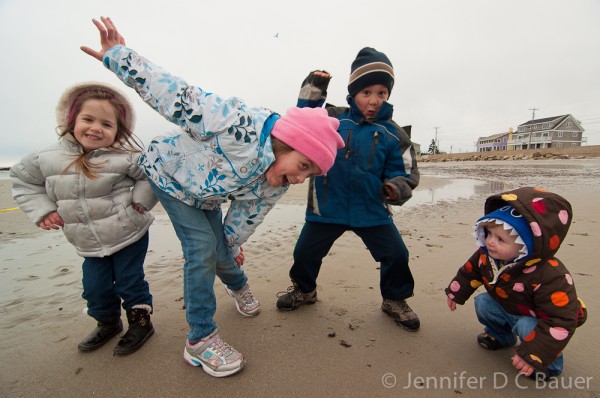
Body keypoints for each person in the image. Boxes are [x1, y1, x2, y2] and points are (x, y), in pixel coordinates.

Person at [81, 17, 344, 378]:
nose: (300, 178)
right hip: (169, 175)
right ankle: (200, 340)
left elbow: (248, 215)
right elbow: (176, 94)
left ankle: (239, 286)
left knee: (220, 249)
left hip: (205, 197)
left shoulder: (277, 182)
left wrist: (231, 245)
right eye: (303, 165)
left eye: (310, 174)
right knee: (202, 246)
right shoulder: (237, 123)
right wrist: (120, 57)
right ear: (288, 142)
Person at [275, 47, 422, 331]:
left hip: (372, 209)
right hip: (327, 207)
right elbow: (303, 119)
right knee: (304, 252)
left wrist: (395, 187)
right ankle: (305, 290)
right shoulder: (334, 118)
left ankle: (394, 299)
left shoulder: (394, 133)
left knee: (397, 255)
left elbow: (406, 172)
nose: (374, 100)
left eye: (382, 93)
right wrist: (314, 87)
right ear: (353, 93)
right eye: (366, 92)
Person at [10, 82, 158, 356]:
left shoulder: (125, 157)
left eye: (106, 123)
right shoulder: (47, 156)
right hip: (87, 240)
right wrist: (43, 210)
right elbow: (22, 180)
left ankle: (141, 323)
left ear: (118, 130)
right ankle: (108, 323)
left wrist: (140, 200)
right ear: (71, 121)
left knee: (130, 281)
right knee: (94, 288)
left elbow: (150, 176)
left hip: (128, 232)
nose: (95, 128)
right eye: (88, 119)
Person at [445, 187, 587, 379]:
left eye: (500, 239)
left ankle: (548, 365)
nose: (490, 242)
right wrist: (456, 292)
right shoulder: (487, 256)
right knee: (483, 303)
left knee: (527, 325)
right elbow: (470, 272)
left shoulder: (551, 275)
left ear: (526, 246)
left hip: (539, 320)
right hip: (509, 305)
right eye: (488, 234)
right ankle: (501, 336)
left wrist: (534, 354)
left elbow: (561, 321)